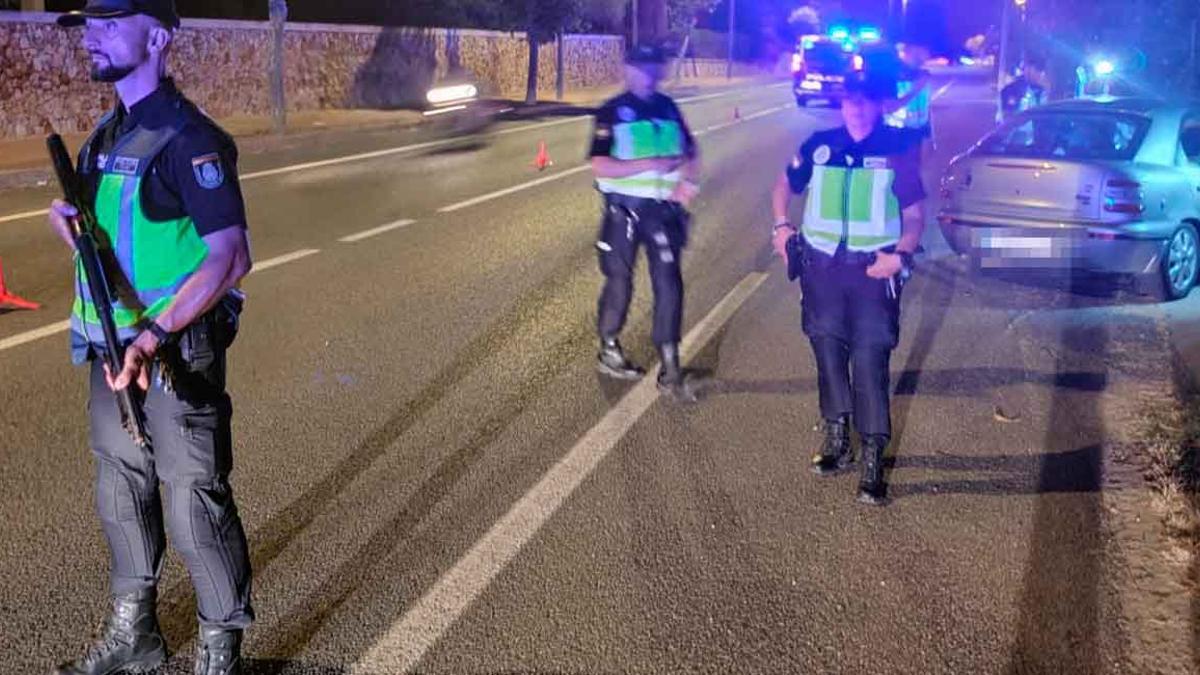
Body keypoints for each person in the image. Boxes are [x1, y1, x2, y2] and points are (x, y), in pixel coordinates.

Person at [49, 1, 254, 672]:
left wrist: (154, 335)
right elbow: (118, 248)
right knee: (119, 490)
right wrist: (76, 235)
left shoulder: (190, 140)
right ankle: (135, 634)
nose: (92, 38)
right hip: (112, 356)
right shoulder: (104, 138)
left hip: (171, 358)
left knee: (195, 499)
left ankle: (219, 649)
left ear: (158, 35)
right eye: (89, 26)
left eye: (110, 22)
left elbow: (229, 256)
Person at [770, 73, 927, 506]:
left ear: (877, 106)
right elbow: (785, 184)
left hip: (873, 273)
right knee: (827, 354)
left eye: (864, 102)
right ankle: (838, 438)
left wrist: (901, 255)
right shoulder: (820, 145)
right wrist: (782, 225)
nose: (855, 109)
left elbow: (914, 215)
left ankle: (874, 452)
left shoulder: (896, 149)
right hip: (821, 271)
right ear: (842, 105)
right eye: (849, 102)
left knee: (870, 359)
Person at [588, 44, 702, 401]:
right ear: (629, 69)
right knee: (619, 280)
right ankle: (609, 345)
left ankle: (670, 361)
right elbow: (600, 166)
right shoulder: (610, 111)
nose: (651, 74)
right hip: (623, 210)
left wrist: (688, 186)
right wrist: (650, 163)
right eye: (643, 68)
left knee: (669, 282)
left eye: (655, 68)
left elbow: (690, 151)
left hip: (663, 212)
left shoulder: (667, 107)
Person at [884, 42, 934, 148]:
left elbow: (926, 107)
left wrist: (929, 134)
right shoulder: (893, 75)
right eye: (916, 54)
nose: (921, 58)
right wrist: (915, 90)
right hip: (896, 132)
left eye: (922, 54)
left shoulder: (923, 75)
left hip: (919, 131)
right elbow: (889, 108)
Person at [1000, 57, 1048, 121]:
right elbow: (1006, 117)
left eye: (1032, 71)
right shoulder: (1011, 90)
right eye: (1027, 70)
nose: (1028, 74)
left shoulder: (1046, 92)